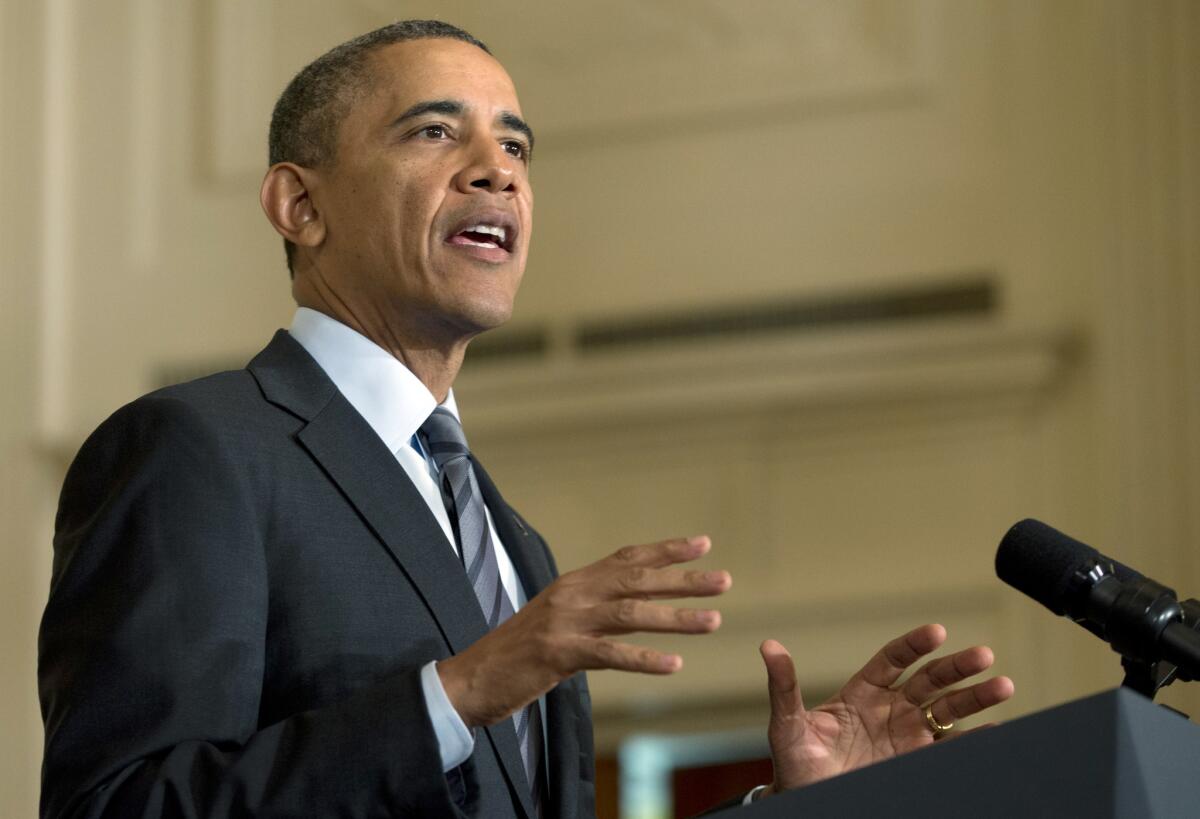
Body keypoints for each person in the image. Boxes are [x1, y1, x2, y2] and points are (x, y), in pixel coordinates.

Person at [37, 20, 1013, 818]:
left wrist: (787, 808)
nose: (496, 170)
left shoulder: (514, 548)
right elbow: (118, 805)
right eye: (432, 131)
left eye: (515, 145)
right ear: (299, 204)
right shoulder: (198, 453)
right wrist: (462, 690)